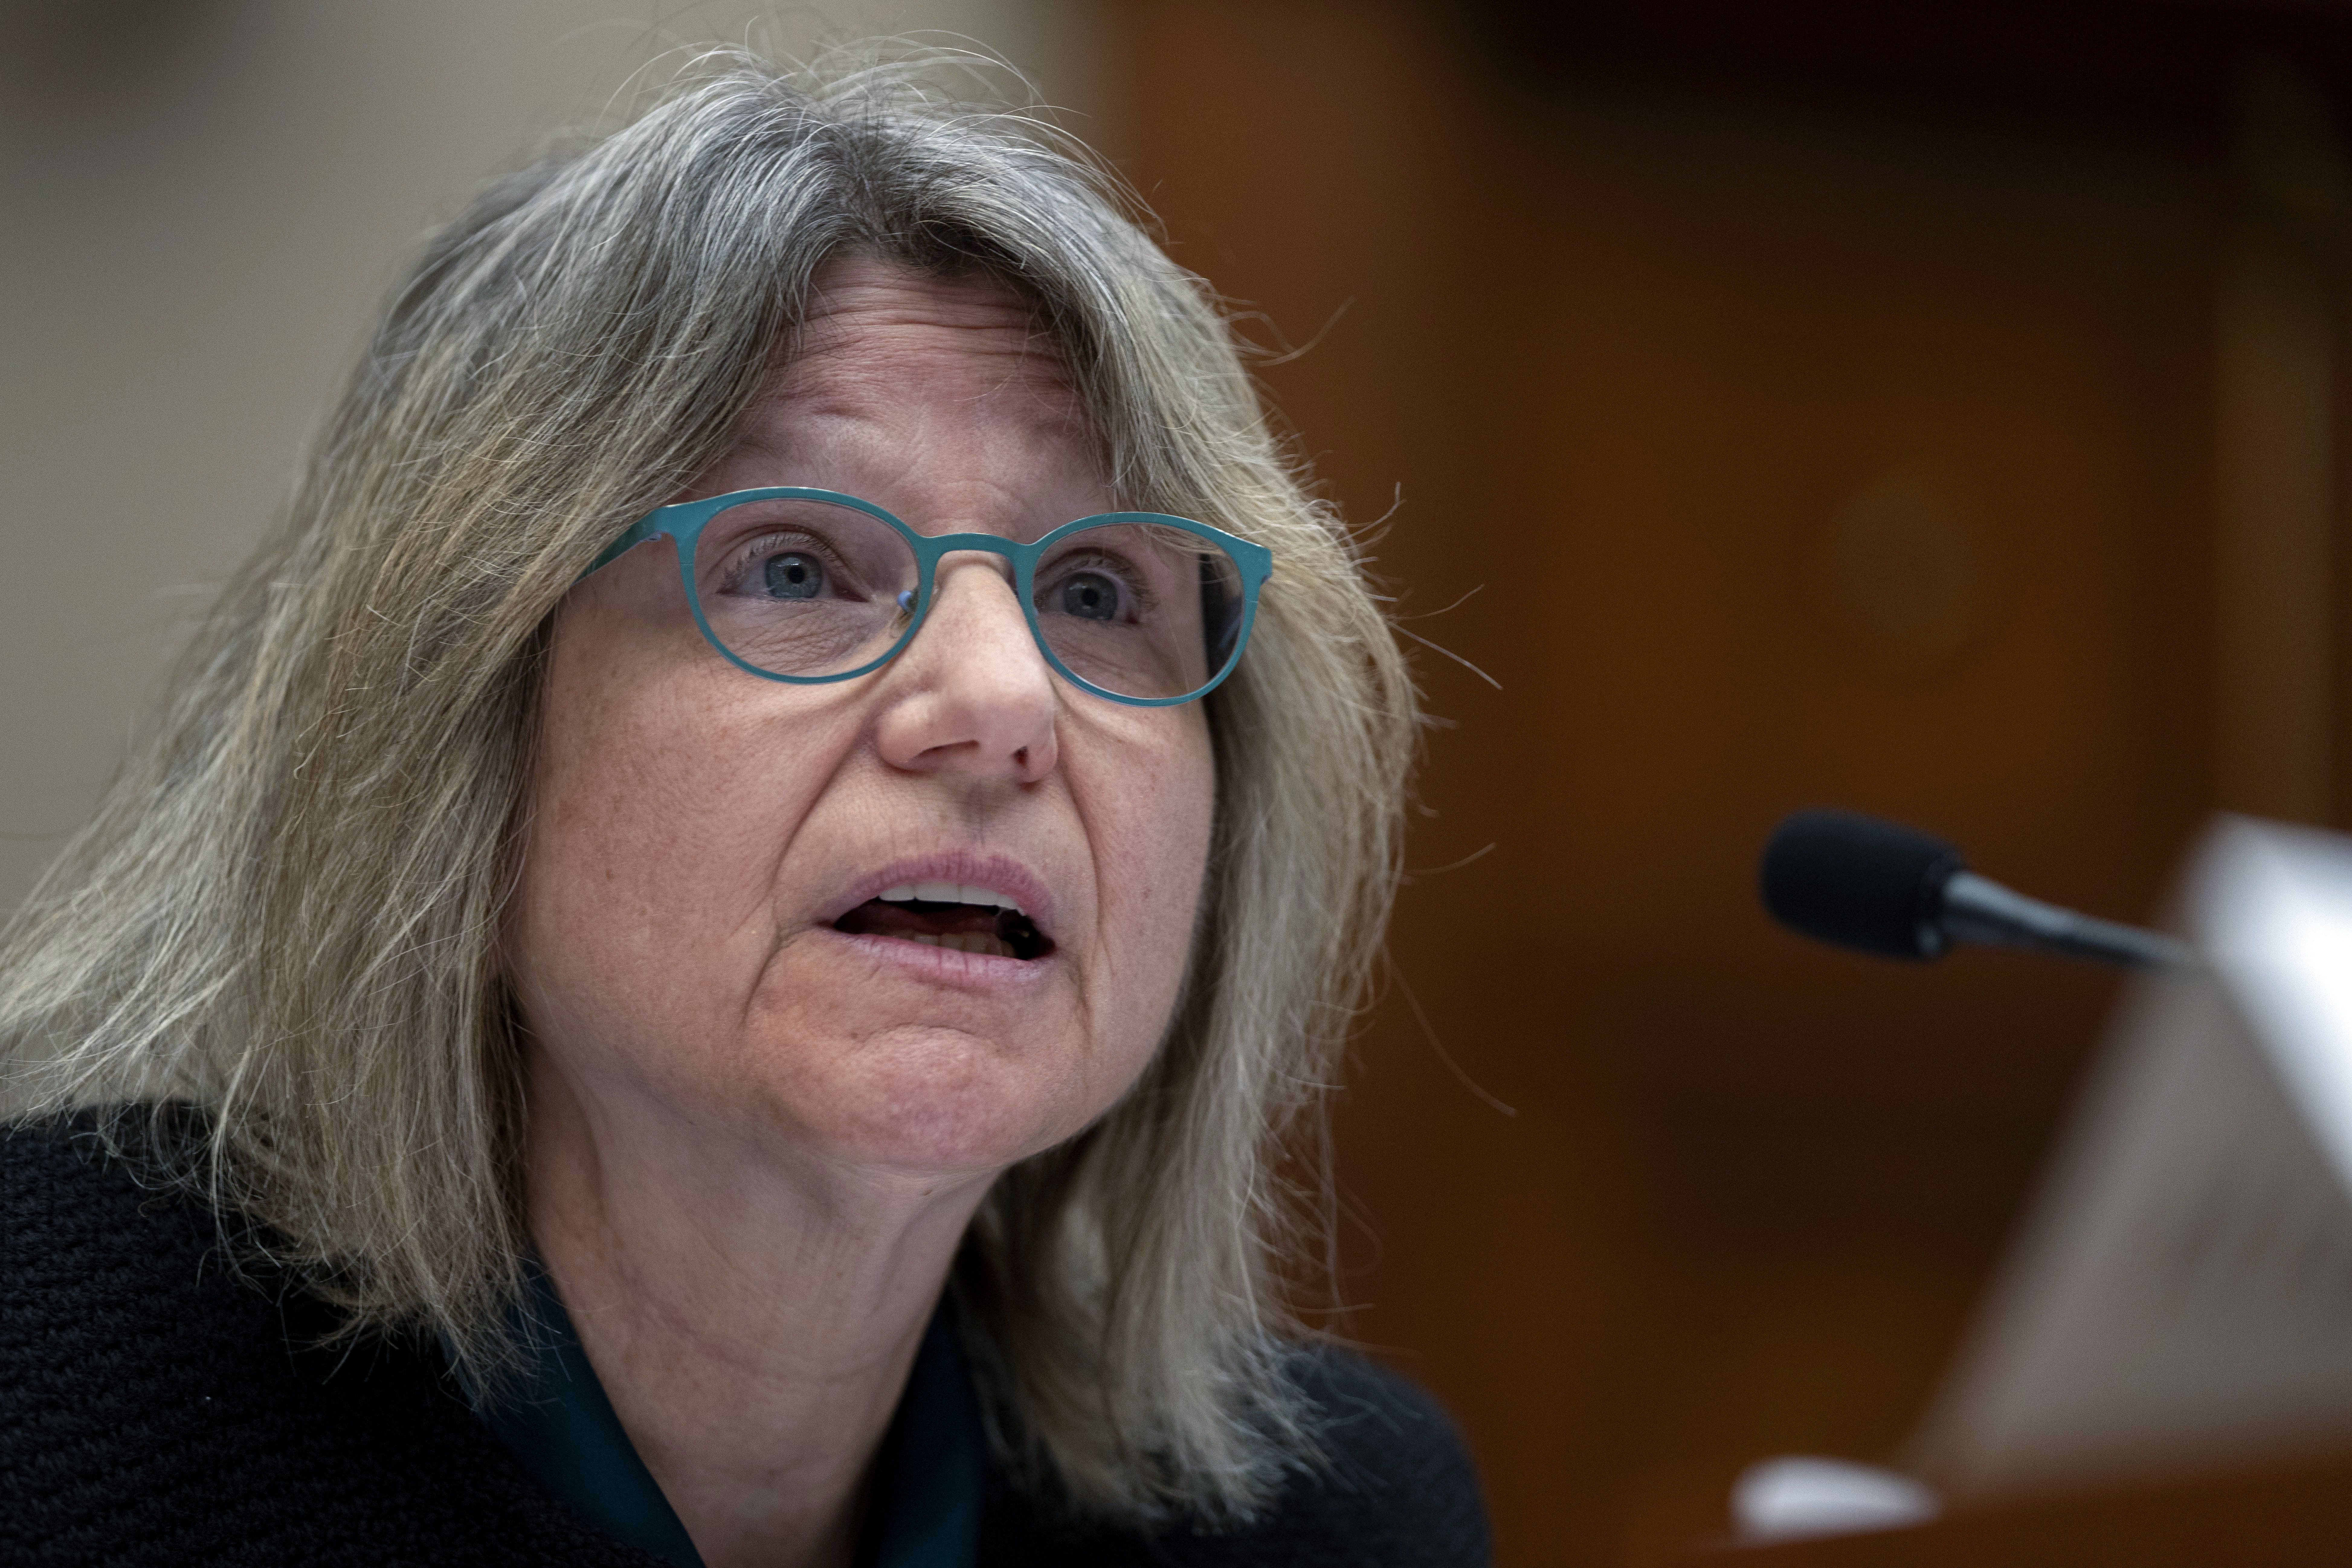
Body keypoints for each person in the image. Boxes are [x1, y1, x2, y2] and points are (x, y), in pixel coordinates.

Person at [0, 47, 1487, 1568]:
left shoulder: (1332, 1526)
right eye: (793, 568)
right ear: (459, 730)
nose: (1006, 699)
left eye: (1099, 594)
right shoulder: (44, 1398)